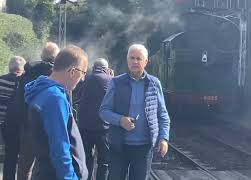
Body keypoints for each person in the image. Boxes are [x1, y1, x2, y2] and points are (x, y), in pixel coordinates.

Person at [99, 44, 170, 180]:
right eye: (132, 58)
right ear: (127, 60)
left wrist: (163, 138)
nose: (135, 61)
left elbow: (163, 115)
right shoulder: (116, 83)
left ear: (146, 62)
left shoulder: (154, 84)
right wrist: (120, 120)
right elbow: (104, 111)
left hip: (144, 147)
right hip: (119, 145)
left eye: (139, 58)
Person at [24, 45, 89, 180]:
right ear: (72, 71)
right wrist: (70, 177)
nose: (82, 79)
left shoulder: (43, 91)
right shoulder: (54, 98)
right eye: (83, 73)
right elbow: (59, 147)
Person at [12, 42, 60, 180]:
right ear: (56, 58)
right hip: (49, 128)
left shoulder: (25, 75)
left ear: (41, 55)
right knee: (47, 165)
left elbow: (19, 102)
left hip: (28, 126)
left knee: (25, 165)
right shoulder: (56, 76)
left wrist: (24, 122)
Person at [78, 58, 114, 180]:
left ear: (93, 67)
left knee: (87, 158)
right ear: (106, 69)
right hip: (104, 128)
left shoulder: (84, 78)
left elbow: (76, 97)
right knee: (104, 161)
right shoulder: (111, 80)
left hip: (84, 127)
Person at [0, 56, 26, 180]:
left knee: (9, 154)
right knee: (18, 155)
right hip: (16, 124)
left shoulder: (1, 80)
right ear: (21, 69)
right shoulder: (22, 82)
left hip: (2, 122)